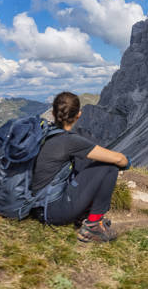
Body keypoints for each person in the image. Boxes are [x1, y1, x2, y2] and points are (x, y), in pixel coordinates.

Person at [30, 91, 129, 243]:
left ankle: (83, 215)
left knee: (84, 161)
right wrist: (126, 164)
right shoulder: (71, 141)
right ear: (79, 115)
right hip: (53, 211)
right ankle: (94, 225)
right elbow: (119, 158)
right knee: (109, 167)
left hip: (35, 206)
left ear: (53, 113)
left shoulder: (44, 133)